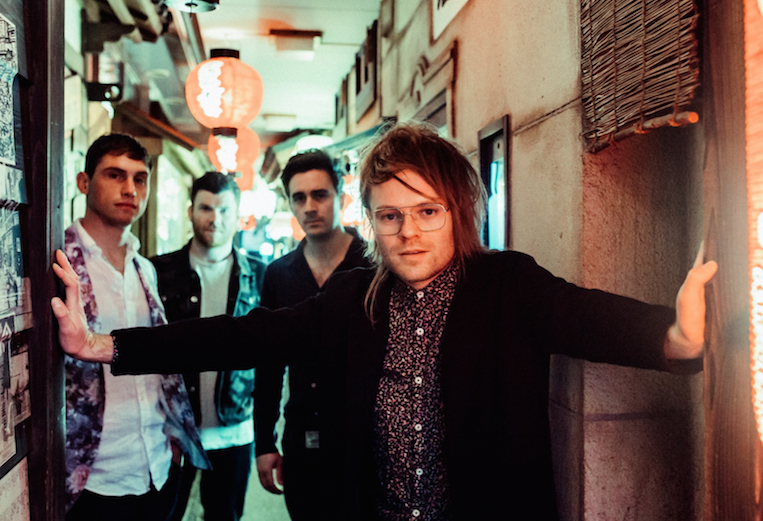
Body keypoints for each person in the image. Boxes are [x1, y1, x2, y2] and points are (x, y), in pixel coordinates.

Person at [53, 123, 717, 521]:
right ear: (370, 220)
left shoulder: (506, 286)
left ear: (458, 210)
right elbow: (246, 334)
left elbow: (583, 316)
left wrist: (674, 335)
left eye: (428, 212)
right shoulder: (354, 299)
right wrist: (103, 344)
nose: (409, 232)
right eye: (390, 215)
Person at [61, 134, 209, 521]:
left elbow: (160, 360)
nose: (130, 189)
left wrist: (172, 438)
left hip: (156, 466)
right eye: (115, 175)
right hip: (93, 476)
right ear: (84, 182)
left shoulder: (145, 268)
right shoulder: (61, 262)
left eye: (139, 178)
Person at [254, 150, 370, 518]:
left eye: (320, 195)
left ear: (341, 196)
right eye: (299, 197)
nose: (309, 207)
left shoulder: (373, 266)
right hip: (301, 435)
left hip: (363, 438)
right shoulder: (279, 274)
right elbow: (268, 364)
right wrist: (264, 443)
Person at [151, 172, 266, 521]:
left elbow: (271, 359)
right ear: (190, 211)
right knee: (163, 516)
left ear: (237, 214)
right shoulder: (158, 271)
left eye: (224, 209)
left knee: (225, 517)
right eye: (205, 208)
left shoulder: (260, 276)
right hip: (171, 428)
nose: (215, 218)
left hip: (235, 430)